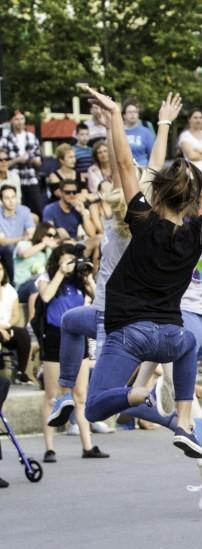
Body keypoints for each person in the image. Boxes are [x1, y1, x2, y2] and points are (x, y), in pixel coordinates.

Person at [80, 83, 202, 457]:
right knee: (188, 342)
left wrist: (113, 117)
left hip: (129, 334)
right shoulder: (199, 233)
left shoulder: (142, 221)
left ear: (155, 197)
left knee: (95, 407)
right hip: (171, 335)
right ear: (192, 204)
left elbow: (124, 164)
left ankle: (142, 394)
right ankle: (184, 421)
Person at [35, 243, 106, 462]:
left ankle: (88, 445)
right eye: (65, 259)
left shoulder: (78, 282)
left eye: (72, 260)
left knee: (80, 395)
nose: (69, 264)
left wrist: (87, 276)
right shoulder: (46, 277)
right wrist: (60, 272)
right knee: (51, 397)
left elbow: (98, 299)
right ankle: (49, 448)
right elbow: (46, 297)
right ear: (57, 260)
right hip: (55, 337)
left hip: (77, 335)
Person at [0, 111, 45, 216]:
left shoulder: (32, 137)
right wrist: (17, 160)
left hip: (31, 179)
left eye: (22, 119)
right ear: (11, 121)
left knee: (37, 210)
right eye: (16, 119)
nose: (20, 122)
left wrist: (33, 160)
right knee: (15, 211)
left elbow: (39, 162)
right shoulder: (4, 140)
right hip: (13, 180)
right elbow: (2, 163)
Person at [0, 261, 32, 383]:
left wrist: (6, 327)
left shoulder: (10, 290)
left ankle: (21, 372)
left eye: (1, 269)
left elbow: (16, 315)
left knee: (23, 334)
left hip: (7, 326)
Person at [0, 184, 35, 283]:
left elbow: (31, 233)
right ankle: (12, 283)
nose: (11, 201)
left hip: (22, 245)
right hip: (5, 249)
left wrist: (22, 239)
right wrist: (22, 238)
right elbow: (2, 242)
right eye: (7, 198)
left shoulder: (24, 210)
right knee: (8, 249)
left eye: (13, 197)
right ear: (1, 200)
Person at [121, 99, 155, 168]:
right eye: (130, 112)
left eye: (135, 112)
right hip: (125, 169)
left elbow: (152, 154)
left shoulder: (146, 132)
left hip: (143, 169)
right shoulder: (120, 132)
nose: (133, 114)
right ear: (124, 115)